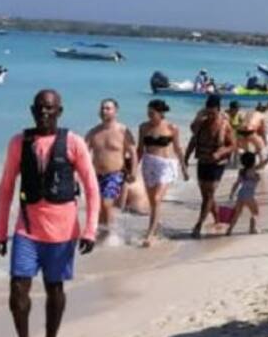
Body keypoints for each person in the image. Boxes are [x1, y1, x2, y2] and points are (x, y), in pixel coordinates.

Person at [0, 90, 100, 337]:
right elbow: (5, 188)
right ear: (31, 110)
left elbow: (92, 188)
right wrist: (0, 231)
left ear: (60, 111)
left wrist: (90, 230)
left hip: (62, 233)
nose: (44, 113)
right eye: (40, 108)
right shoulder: (19, 143)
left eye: (50, 109)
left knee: (55, 289)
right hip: (27, 229)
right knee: (17, 289)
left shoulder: (74, 142)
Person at [85, 98, 136, 245]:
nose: (104, 111)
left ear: (115, 111)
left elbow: (132, 151)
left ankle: (109, 235)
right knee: (98, 205)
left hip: (115, 174)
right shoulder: (93, 132)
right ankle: (102, 233)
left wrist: (133, 172)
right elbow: (82, 153)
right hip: (95, 175)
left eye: (108, 108)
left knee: (106, 204)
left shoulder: (123, 131)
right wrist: (76, 175)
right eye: (102, 108)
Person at [137, 99, 187, 247]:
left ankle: (150, 233)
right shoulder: (143, 127)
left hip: (165, 165)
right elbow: (140, 149)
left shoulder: (172, 127)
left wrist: (184, 168)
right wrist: (132, 167)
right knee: (152, 200)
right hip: (148, 163)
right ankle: (156, 225)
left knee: (157, 198)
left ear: (160, 113)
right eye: (148, 112)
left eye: (152, 113)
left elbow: (178, 149)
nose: (149, 116)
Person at [185, 94, 236, 238]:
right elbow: (193, 140)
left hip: (217, 164)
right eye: (208, 112)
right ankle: (219, 220)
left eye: (213, 113)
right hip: (203, 162)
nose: (210, 115)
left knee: (208, 195)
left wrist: (221, 152)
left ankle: (198, 225)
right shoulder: (201, 123)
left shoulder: (225, 125)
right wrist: (186, 158)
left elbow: (233, 145)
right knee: (206, 195)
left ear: (218, 110)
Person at [226, 151, 268, 235]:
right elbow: (261, 165)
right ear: (253, 162)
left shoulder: (242, 172)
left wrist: (232, 193)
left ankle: (229, 230)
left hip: (241, 194)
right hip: (249, 196)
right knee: (255, 212)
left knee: (237, 214)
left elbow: (236, 183)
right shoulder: (253, 170)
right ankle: (252, 228)